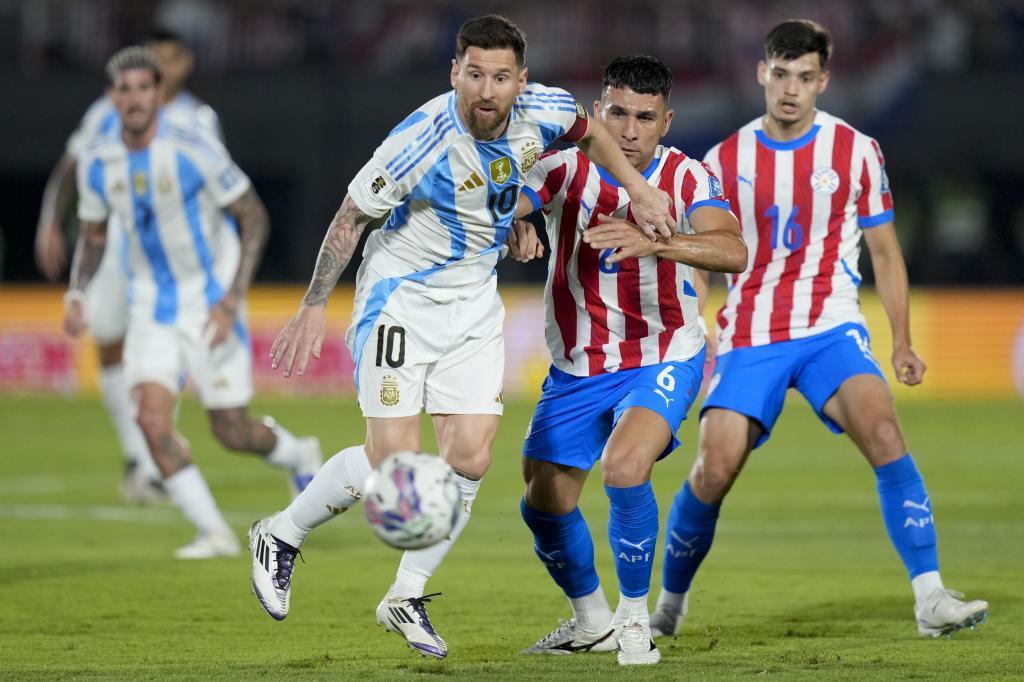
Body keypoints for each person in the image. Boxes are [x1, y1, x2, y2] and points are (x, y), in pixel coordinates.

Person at [246, 14, 675, 660]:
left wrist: (637, 189)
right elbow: (350, 217)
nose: (486, 89)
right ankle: (280, 534)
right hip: (402, 300)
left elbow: (589, 137)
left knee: (471, 458)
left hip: (473, 304)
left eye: (500, 77)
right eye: (473, 73)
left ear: (520, 81)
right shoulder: (420, 138)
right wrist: (313, 304)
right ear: (455, 73)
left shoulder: (545, 109)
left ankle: (407, 593)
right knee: (393, 463)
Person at [649, 19, 989, 639]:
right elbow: (704, 257)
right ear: (762, 72)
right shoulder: (724, 160)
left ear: (823, 81)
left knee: (884, 430)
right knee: (715, 467)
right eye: (780, 74)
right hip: (752, 332)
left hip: (831, 326)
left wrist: (903, 339)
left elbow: (885, 252)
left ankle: (930, 597)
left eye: (805, 77)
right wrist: (694, 334)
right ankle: (669, 604)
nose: (790, 89)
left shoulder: (857, 150)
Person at [505, 56, 745, 665]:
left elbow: (733, 250)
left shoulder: (688, 179)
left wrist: (659, 241)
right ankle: (591, 619)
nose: (630, 130)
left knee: (625, 466)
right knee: (543, 502)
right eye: (617, 114)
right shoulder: (565, 165)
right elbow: (512, 203)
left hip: (665, 353)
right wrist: (520, 225)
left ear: (667, 121)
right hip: (579, 367)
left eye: (645, 117)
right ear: (596, 113)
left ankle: (634, 620)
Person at [63, 46, 321, 559]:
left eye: (143, 88)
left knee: (231, 430)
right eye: (124, 89)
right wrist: (76, 290)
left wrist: (230, 301)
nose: (134, 98)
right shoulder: (98, 160)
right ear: (112, 96)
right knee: (150, 421)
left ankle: (299, 454)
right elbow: (93, 235)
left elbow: (254, 217)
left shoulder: (194, 147)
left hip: (207, 303)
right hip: (148, 308)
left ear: (158, 93)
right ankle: (216, 533)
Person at [37, 29, 225, 504]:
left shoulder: (197, 119)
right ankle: (139, 457)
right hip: (112, 245)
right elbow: (71, 166)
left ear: (183, 66)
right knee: (109, 344)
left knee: (161, 354)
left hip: (171, 263)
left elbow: (218, 192)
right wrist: (50, 224)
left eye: (171, 58)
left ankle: (154, 456)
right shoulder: (107, 111)